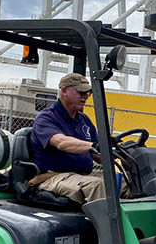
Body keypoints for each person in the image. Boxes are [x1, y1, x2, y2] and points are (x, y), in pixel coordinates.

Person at [29, 73, 106, 204]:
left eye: (87, 92)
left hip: (82, 175)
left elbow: (99, 156)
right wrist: (92, 146)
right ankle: (107, 224)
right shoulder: (46, 118)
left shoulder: (83, 120)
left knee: (126, 183)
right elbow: (61, 142)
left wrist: (119, 151)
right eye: (81, 92)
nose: (86, 96)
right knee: (97, 185)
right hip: (53, 177)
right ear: (64, 91)